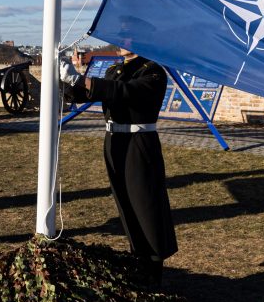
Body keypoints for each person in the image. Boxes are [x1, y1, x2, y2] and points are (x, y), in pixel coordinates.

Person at [59, 46, 178, 285]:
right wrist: (64, 81)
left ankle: (153, 267)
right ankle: (138, 257)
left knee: (146, 204)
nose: (119, 42)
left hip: (139, 143)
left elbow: (124, 91)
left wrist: (80, 78)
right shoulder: (116, 69)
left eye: (126, 36)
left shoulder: (153, 71)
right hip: (114, 142)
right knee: (125, 203)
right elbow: (87, 94)